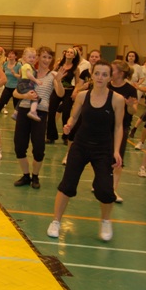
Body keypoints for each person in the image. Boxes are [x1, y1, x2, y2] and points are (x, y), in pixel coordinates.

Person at [47, 60, 125, 242]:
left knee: (105, 189)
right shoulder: (82, 96)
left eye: (104, 74)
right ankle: (56, 221)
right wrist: (68, 125)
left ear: (110, 77)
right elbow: (74, 116)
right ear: (92, 75)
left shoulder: (117, 99)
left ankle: (105, 221)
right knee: (67, 184)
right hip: (81, 145)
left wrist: (116, 151)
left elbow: (118, 127)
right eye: (97, 73)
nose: (100, 77)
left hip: (103, 148)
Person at [12, 46, 64, 189]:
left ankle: (35, 176)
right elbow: (15, 92)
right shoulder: (28, 71)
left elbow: (60, 94)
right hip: (24, 110)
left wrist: (59, 81)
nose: (46, 60)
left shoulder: (52, 75)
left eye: (49, 57)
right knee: (19, 146)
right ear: (37, 58)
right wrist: (25, 96)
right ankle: (26, 175)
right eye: (44, 56)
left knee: (39, 148)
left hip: (40, 113)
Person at [108, 60, 138, 202]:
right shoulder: (107, 85)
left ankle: (113, 190)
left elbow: (133, 111)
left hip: (121, 127)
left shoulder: (130, 90)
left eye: (112, 70)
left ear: (121, 73)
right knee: (102, 156)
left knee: (117, 158)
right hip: (104, 126)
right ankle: (101, 182)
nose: (109, 72)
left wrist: (130, 105)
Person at [46, 47, 80, 144]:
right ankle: (51, 136)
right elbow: (51, 75)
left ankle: (66, 136)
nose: (68, 53)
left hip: (68, 91)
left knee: (66, 113)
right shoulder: (59, 64)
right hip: (57, 89)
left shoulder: (75, 68)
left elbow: (77, 82)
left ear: (74, 56)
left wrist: (75, 91)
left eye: (71, 52)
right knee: (51, 112)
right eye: (67, 52)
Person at [16, 47, 42, 122]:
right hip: (25, 83)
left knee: (23, 98)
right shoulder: (27, 65)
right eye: (29, 57)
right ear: (24, 57)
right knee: (35, 97)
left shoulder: (27, 66)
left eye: (33, 57)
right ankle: (33, 111)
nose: (32, 59)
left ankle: (15, 112)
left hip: (22, 84)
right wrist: (36, 80)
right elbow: (29, 75)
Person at [0, 49, 21, 116]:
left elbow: (21, 77)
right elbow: (3, 73)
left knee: (16, 107)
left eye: (12, 54)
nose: (10, 55)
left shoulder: (18, 65)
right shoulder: (5, 64)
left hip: (16, 88)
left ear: (15, 56)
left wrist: (14, 74)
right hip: (7, 87)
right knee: (1, 103)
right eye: (9, 54)